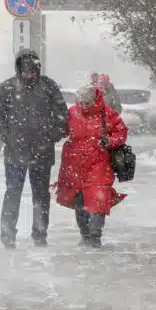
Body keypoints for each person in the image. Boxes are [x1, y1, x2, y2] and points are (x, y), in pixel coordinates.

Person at [0, 48, 69, 249]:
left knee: (41, 195)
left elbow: (62, 115)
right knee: (13, 192)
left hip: (42, 151)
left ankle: (40, 234)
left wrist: (51, 136)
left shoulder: (49, 86)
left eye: (32, 72)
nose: (28, 76)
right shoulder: (7, 87)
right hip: (15, 152)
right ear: (18, 69)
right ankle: (8, 235)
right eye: (25, 72)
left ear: (37, 70)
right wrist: (8, 137)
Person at [55, 84, 128, 248]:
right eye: (81, 102)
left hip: (99, 163)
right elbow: (61, 129)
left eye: (87, 103)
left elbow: (121, 132)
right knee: (80, 202)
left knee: (98, 200)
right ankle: (85, 233)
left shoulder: (107, 113)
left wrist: (109, 141)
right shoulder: (72, 112)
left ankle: (95, 235)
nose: (84, 106)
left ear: (95, 101)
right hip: (75, 163)